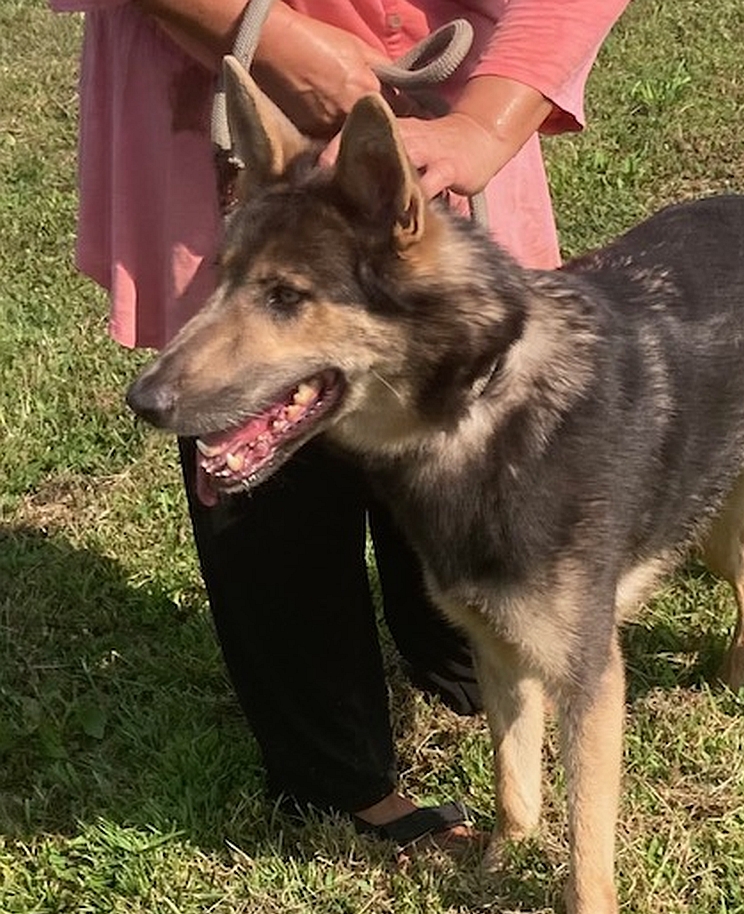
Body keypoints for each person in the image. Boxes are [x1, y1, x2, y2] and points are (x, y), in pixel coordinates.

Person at [52, 0, 628, 847]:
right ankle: (337, 779)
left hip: (437, 108)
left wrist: (484, 121)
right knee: (258, 410)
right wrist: (271, 38)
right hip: (213, 54)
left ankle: (460, 657)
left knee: (453, 397)